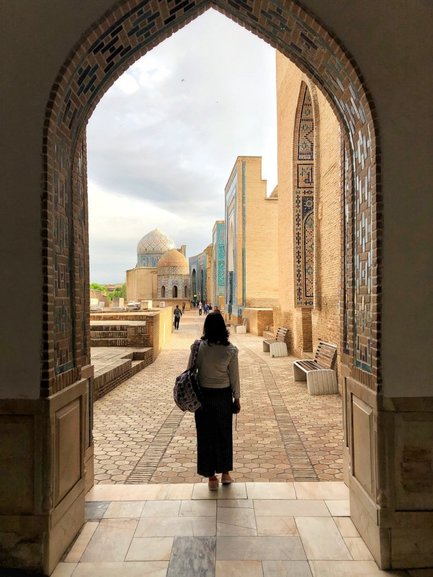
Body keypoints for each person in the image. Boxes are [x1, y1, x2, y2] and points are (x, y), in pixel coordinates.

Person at [187, 312, 241, 490]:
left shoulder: (198, 347)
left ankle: (211, 477)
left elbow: (189, 371)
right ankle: (225, 474)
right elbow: (235, 378)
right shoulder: (230, 350)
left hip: (203, 398)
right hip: (223, 397)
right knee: (224, 435)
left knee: (206, 436)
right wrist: (237, 399)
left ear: (206, 327)